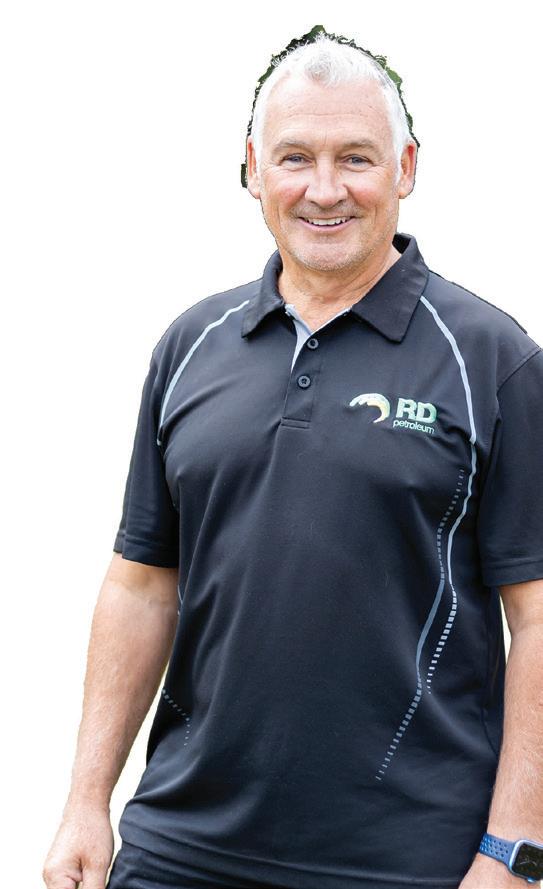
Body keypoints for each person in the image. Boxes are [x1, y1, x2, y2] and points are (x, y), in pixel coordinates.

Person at [42, 27, 543, 889]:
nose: (323, 189)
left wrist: (514, 851)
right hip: (181, 846)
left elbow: (534, 617)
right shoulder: (189, 346)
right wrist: (86, 801)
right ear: (252, 169)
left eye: (355, 158)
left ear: (405, 169)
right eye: (294, 157)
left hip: (406, 859)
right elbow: (142, 583)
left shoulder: (491, 360)